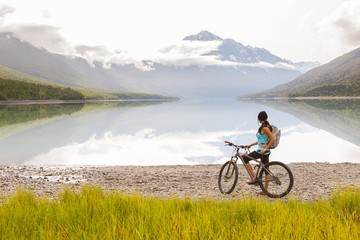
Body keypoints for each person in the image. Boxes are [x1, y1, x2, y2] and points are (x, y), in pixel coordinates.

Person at [243, 111, 275, 195]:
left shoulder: (265, 128)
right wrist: (250, 145)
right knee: (266, 169)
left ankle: (253, 177)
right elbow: (261, 141)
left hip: (262, 151)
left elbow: (273, 139)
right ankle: (265, 190)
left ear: (259, 119)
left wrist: (265, 148)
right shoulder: (266, 126)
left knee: (245, 158)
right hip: (265, 151)